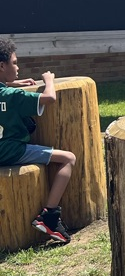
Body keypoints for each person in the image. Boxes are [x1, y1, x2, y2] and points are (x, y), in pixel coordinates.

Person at [0, 39, 76, 245]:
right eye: (14, 63)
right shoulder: (11, 96)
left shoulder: (8, 91)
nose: (17, 67)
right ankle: (49, 216)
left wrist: (12, 83)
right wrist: (49, 80)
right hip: (10, 150)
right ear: (2, 66)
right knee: (68, 158)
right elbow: (49, 98)